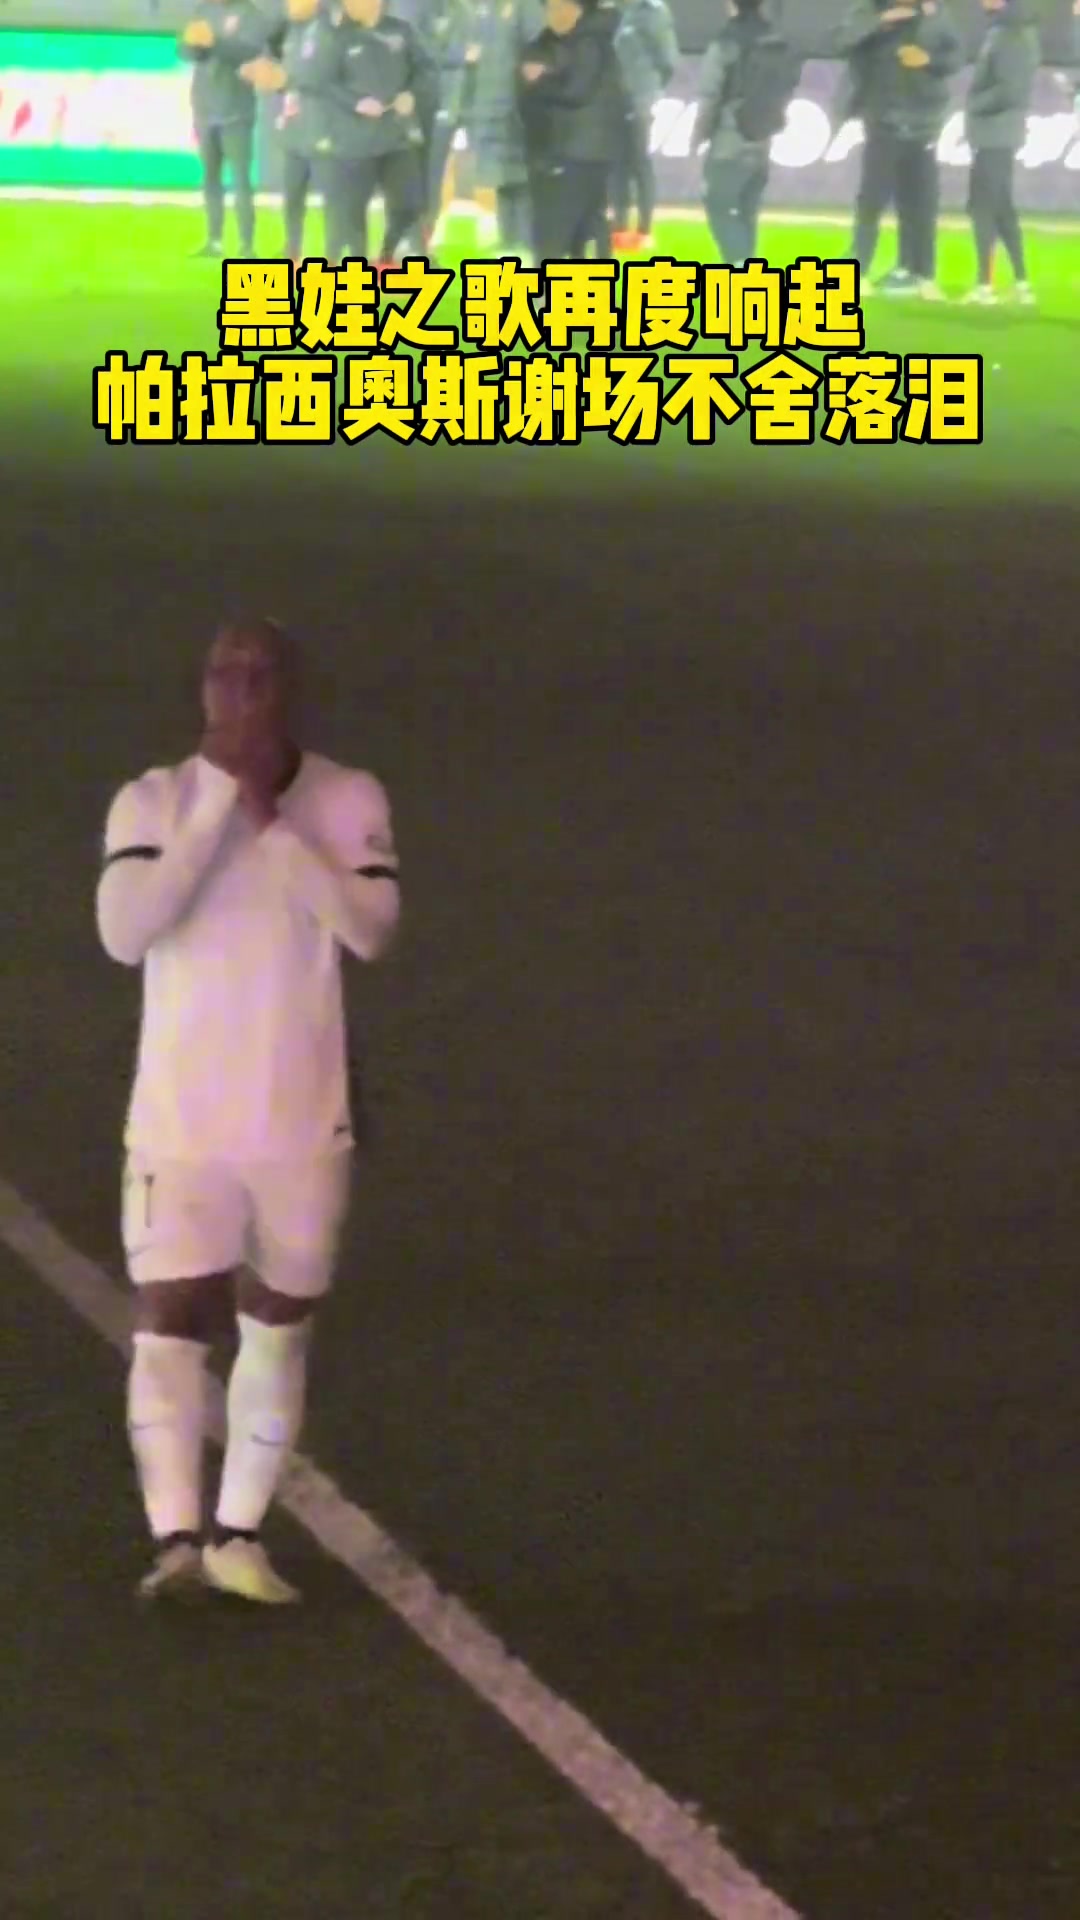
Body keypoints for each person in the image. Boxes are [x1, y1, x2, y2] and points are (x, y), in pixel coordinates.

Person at [95, 618, 401, 1605]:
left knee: (277, 1322)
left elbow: (368, 931)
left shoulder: (347, 799)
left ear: (290, 688)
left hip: (300, 1124)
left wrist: (269, 821)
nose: (238, 690)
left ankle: (238, 1535)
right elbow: (126, 932)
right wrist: (219, 805)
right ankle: (174, 1541)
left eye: (258, 674)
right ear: (202, 689)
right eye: (223, 673)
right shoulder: (152, 800)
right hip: (180, 1121)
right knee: (169, 1318)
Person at [837, 0, 962, 299]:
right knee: (871, 201)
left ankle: (920, 274)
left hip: (924, 122)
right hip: (883, 120)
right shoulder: (871, 10)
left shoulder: (936, 15)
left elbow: (956, 57)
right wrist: (882, 20)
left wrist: (928, 59)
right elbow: (841, 41)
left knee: (921, 203)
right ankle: (858, 271)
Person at [318, 0, 436, 270]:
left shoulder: (402, 31)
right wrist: (355, 103)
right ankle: (355, 264)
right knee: (352, 209)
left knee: (408, 204)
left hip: (397, 135)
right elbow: (325, 82)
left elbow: (426, 71)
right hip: (356, 139)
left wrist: (412, 95)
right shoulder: (339, 37)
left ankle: (388, 256)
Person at [519, 0, 625, 261]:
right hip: (585, 152)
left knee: (554, 234)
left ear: (579, 9)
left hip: (571, 151)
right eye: (550, 8)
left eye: (561, 7)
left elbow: (576, 90)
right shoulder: (581, 40)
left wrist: (539, 80)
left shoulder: (588, 43)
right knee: (588, 229)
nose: (555, 14)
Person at [697, 0, 800, 266]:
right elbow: (791, 80)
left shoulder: (726, 42)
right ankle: (749, 269)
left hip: (730, 137)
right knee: (747, 210)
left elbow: (710, 93)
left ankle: (739, 265)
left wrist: (698, 135)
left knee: (718, 205)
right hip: (763, 136)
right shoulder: (778, 40)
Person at [179, 0, 272, 259]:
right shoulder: (203, 10)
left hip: (236, 111)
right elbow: (185, 51)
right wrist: (193, 45)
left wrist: (214, 42)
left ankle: (246, 245)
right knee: (210, 178)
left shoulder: (252, 14)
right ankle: (214, 240)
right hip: (205, 108)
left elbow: (249, 51)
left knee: (240, 179)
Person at [962, 0, 1039, 305]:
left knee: (983, 207)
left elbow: (1010, 89)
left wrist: (973, 106)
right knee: (1002, 207)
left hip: (995, 132)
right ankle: (1021, 283)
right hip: (1000, 132)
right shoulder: (1015, 30)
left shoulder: (1009, 34)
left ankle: (985, 286)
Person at [249, 0, 336, 264]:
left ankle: (333, 254)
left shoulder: (330, 31)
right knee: (293, 195)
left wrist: (288, 79)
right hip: (296, 126)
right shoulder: (290, 31)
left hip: (323, 126)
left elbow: (328, 75)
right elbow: (284, 71)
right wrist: (274, 80)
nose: (289, 4)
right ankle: (293, 250)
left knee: (333, 198)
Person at [610, 0, 679, 250]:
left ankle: (644, 229)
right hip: (611, 96)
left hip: (641, 96)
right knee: (616, 163)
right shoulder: (610, 8)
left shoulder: (653, 11)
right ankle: (618, 226)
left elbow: (668, 58)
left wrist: (651, 89)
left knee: (639, 160)